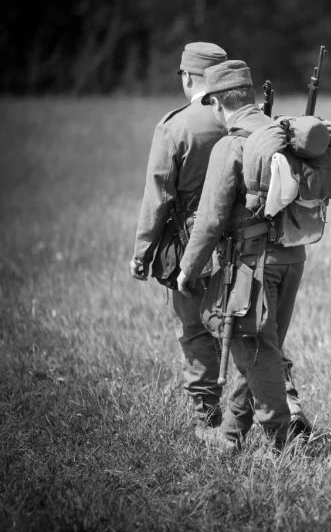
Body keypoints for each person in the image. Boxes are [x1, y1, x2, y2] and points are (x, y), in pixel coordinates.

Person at [176, 59, 307, 452]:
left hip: (251, 265)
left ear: (216, 102)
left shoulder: (230, 145)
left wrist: (188, 271)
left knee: (256, 350)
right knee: (257, 349)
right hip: (292, 257)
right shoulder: (282, 134)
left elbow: (210, 219)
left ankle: (282, 441)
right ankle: (231, 435)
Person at [129, 42, 230, 432]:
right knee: (251, 325)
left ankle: (206, 416)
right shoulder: (245, 119)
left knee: (195, 328)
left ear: (187, 77)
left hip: (192, 244)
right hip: (248, 241)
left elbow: (159, 195)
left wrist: (142, 251)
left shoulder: (176, 125)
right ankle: (283, 399)